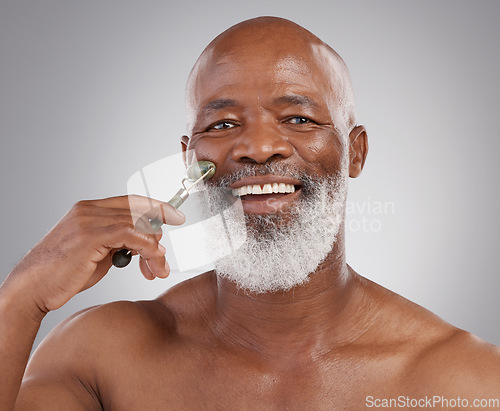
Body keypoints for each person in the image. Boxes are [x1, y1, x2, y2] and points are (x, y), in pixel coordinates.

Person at [1, 16, 499, 410]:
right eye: (221, 124)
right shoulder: (102, 359)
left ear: (355, 153)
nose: (258, 147)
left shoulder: (466, 381)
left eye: (299, 118)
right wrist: (22, 297)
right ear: (188, 159)